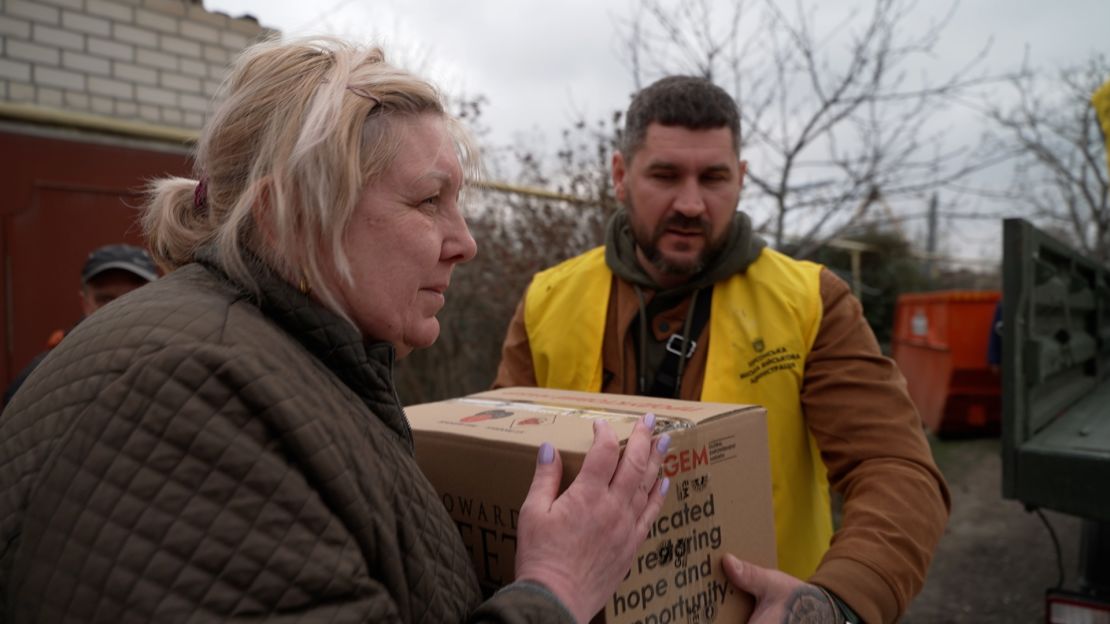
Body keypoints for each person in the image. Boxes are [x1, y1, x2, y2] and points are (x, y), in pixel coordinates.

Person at [0, 38, 669, 622]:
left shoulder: (272, 365)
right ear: (288, 215)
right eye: (428, 200)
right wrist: (555, 591)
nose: (464, 242)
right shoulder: (193, 394)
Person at [494, 76, 950, 624]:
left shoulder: (810, 300)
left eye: (714, 178)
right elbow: (503, 464)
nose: (691, 203)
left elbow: (895, 467)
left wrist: (838, 603)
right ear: (620, 175)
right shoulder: (548, 298)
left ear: (742, 178)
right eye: (665, 175)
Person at [2, 243, 159, 407]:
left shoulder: (176, 355)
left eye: (133, 296)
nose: (118, 308)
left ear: (156, 297)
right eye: (105, 300)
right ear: (84, 303)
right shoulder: (37, 378)